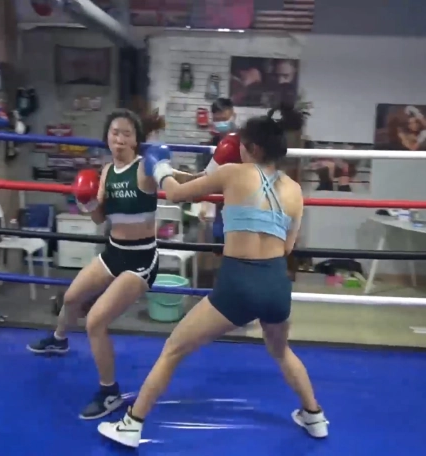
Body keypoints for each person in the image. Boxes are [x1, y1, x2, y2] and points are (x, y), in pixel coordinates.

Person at [97, 114, 329, 447]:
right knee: (280, 350)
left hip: (239, 283)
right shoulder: (295, 190)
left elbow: (176, 194)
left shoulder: (232, 173)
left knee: (174, 348)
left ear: (252, 148)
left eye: (242, 144)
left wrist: (159, 167)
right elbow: (288, 247)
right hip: (278, 285)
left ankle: (131, 425)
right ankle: (314, 416)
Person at [26, 109, 195, 420]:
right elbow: (99, 218)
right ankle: (59, 340)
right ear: (107, 137)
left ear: (136, 140)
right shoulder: (106, 172)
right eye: (115, 132)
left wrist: (213, 177)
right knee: (71, 297)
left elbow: (178, 181)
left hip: (140, 260)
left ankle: (110, 393)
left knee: (95, 322)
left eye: (127, 133)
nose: (120, 138)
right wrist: (87, 202)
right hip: (114, 252)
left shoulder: (146, 166)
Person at [199, 98, 238, 243]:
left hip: (240, 198)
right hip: (218, 200)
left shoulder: (245, 142)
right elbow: (204, 176)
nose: (221, 123)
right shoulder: (210, 146)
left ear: (233, 115)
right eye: (217, 120)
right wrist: (204, 204)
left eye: (224, 119)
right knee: (218, 238)